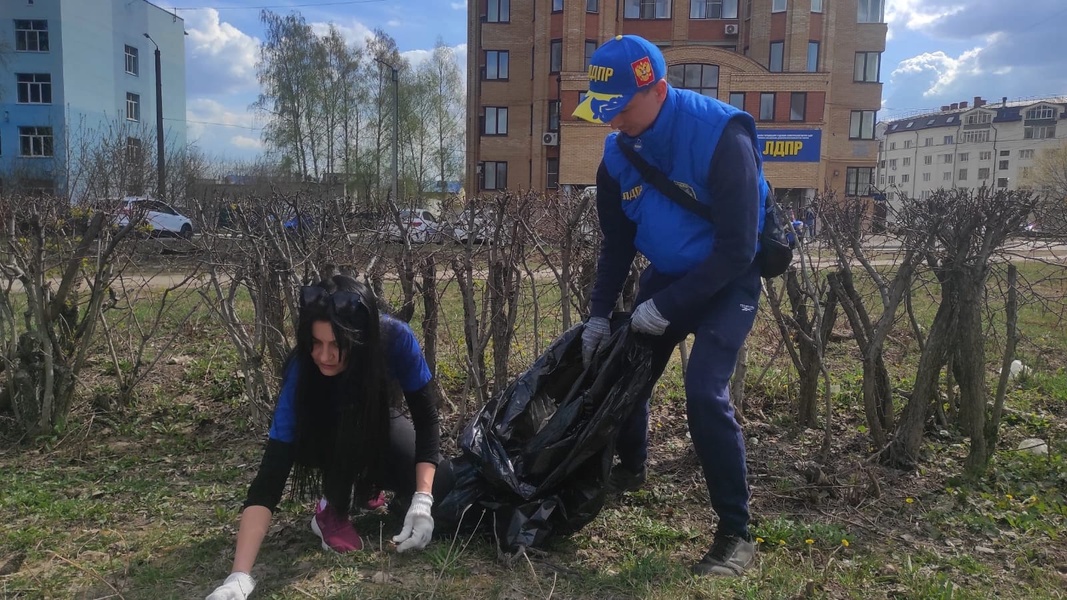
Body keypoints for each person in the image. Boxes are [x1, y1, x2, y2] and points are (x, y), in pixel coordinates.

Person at [574, 35, 766, 577]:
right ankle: (631, 470)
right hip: (669, 274)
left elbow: (738, 248)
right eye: (604, 111)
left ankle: (736, 532)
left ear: (658, 89)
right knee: (625, 365)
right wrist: (597, 314)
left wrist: (670, 305)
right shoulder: (617, 156)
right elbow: (616, 244)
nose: (612, 124)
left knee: (704, 388)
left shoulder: (722, 136)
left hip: (729, 280)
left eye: (622, 110)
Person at [206, 275, 447, 600]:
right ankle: (332, 507)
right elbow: (269, 477)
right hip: (318, 437)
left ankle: (369, 484)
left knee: (444, 485)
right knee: (346, 423)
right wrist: (239, 576)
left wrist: (422, 499)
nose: (324, 356)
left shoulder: (395, 338)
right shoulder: (302, 371)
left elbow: (427, 419)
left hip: (373, 423)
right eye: (316, 344)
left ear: (362, 338)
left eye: (337, 345)